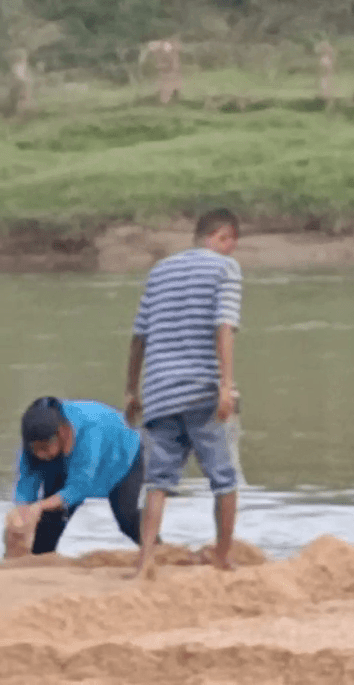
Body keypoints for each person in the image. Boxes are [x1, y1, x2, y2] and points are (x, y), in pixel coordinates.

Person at [126, 208, 243, 577]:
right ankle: (222, 556)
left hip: (159, 391)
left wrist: (131, 389)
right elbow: (223, 326)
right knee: (225, 479)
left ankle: (145, 562)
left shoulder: (159, 271)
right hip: (201, 390)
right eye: (230, 243)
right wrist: (226, 385)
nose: (230, 251)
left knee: (157, 483)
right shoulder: (225, 269)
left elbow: (139, 335)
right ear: (222, 236)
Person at [3, 397, 144, 559]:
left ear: (63, 433)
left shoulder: (89, 431)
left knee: (126, 517)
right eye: (35, 449)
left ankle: (156, 549)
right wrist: (22, 512)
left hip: (121, 456)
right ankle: (41, 563)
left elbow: (79, 487)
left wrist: (39, 506)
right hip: (63, 458)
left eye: (45, 447)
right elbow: (25, 483)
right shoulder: (34, 446)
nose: (41, 455)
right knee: (48, 523)